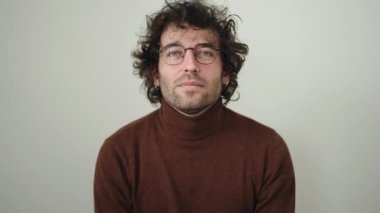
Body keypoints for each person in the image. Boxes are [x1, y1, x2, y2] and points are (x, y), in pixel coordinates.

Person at [94, 0, 295, 212]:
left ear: (225, 72)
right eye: (174, 52)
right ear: (155, 74)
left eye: (205, 52)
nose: (190, 66)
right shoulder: (119, 153)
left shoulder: (268, 150)